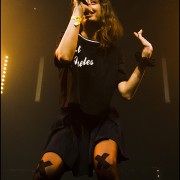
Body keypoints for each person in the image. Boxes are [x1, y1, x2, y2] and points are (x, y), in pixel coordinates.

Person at [33, 0, 154, 179]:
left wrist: (143, 61)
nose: (88, 6)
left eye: (94, 2)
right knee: (44, 171)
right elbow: (64, 56)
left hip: (102, 121)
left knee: (105, 165)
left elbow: (126, 92)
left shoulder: (113, 52)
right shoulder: (68, 38)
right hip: (71, 121)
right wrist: (77, 11)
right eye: (84, 2)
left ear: (104, 10)